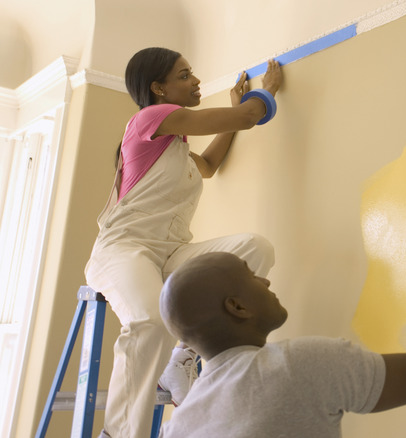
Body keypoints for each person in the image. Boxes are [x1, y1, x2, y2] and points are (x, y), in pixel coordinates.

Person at [83, 47, 283, 438]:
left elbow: (206, 165)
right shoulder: (150, 119)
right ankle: (120, 434)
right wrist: (267, 93)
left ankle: (183, 357)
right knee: (150, 321)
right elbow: (247, 117)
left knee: (255, 249)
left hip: (171, 252)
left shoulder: (174, 148)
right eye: (185, 75)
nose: (196, 81)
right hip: (124, 248)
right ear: (159, 88)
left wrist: (237, 114)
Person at [157, 235, 406, 437]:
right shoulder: (296, 366)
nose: (265, 282)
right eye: (251, 275)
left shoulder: (177, 429)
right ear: (237, 307)